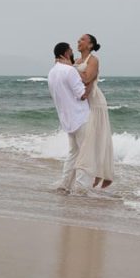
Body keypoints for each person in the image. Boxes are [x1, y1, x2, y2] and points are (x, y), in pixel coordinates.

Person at [47, 42, 94, 194]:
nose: (73, 52)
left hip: (66, 119)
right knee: (85, 154)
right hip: (80, 117)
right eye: (71, 50)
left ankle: (65, 184)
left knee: (73, 153)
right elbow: (81, 95)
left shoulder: (51, 73)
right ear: (66, 53)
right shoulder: (69, 71)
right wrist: (92, 82)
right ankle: (81, 188)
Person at [73, 33, 115, 188]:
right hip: (84, 102)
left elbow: (87, 78)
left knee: (98, 137)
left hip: (96, 101)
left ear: (90, 45)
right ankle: (96, 173)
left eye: (82, 39)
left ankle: (105, 174)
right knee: (90, 138)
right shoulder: (77, 61)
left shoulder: (93, 60)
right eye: (78, 40)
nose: (79, 41)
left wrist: (73, 69)